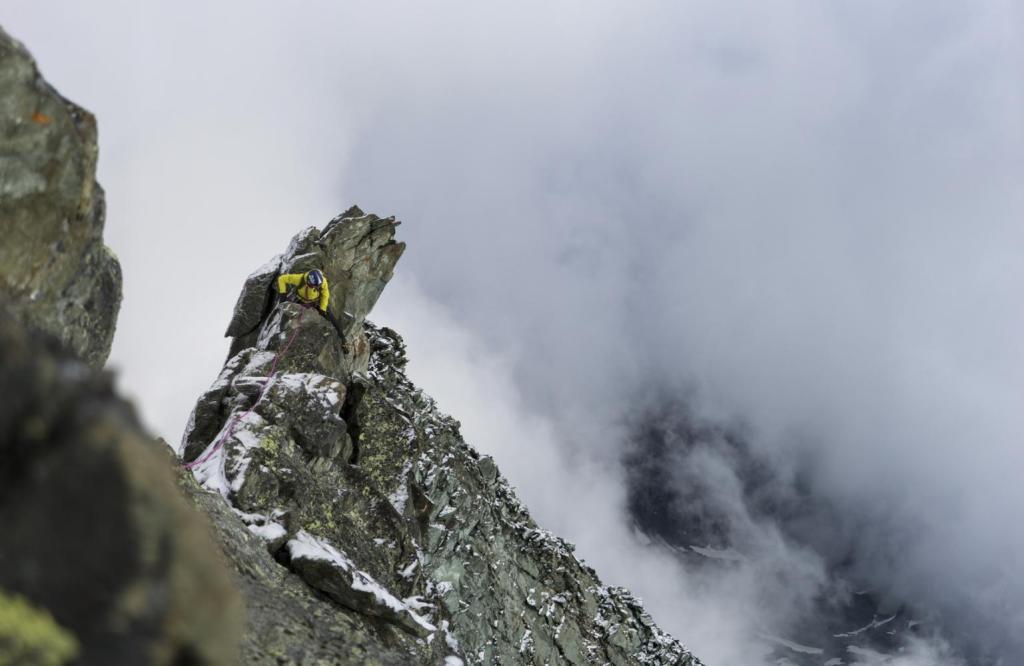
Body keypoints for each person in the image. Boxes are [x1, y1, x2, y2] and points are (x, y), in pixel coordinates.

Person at [276, 269, 348, 348]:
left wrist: (322, 308)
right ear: (308, 282)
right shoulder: (300, 279)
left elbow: (325, 295)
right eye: (314, 286)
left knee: (331, 318)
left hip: (316, 302)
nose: (316, 287)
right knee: (289, 315)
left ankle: (343, 339)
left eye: (317, 286)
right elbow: (282, 279)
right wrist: (283, 293)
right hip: (301, 301)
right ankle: (281, 334)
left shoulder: (322, 283)